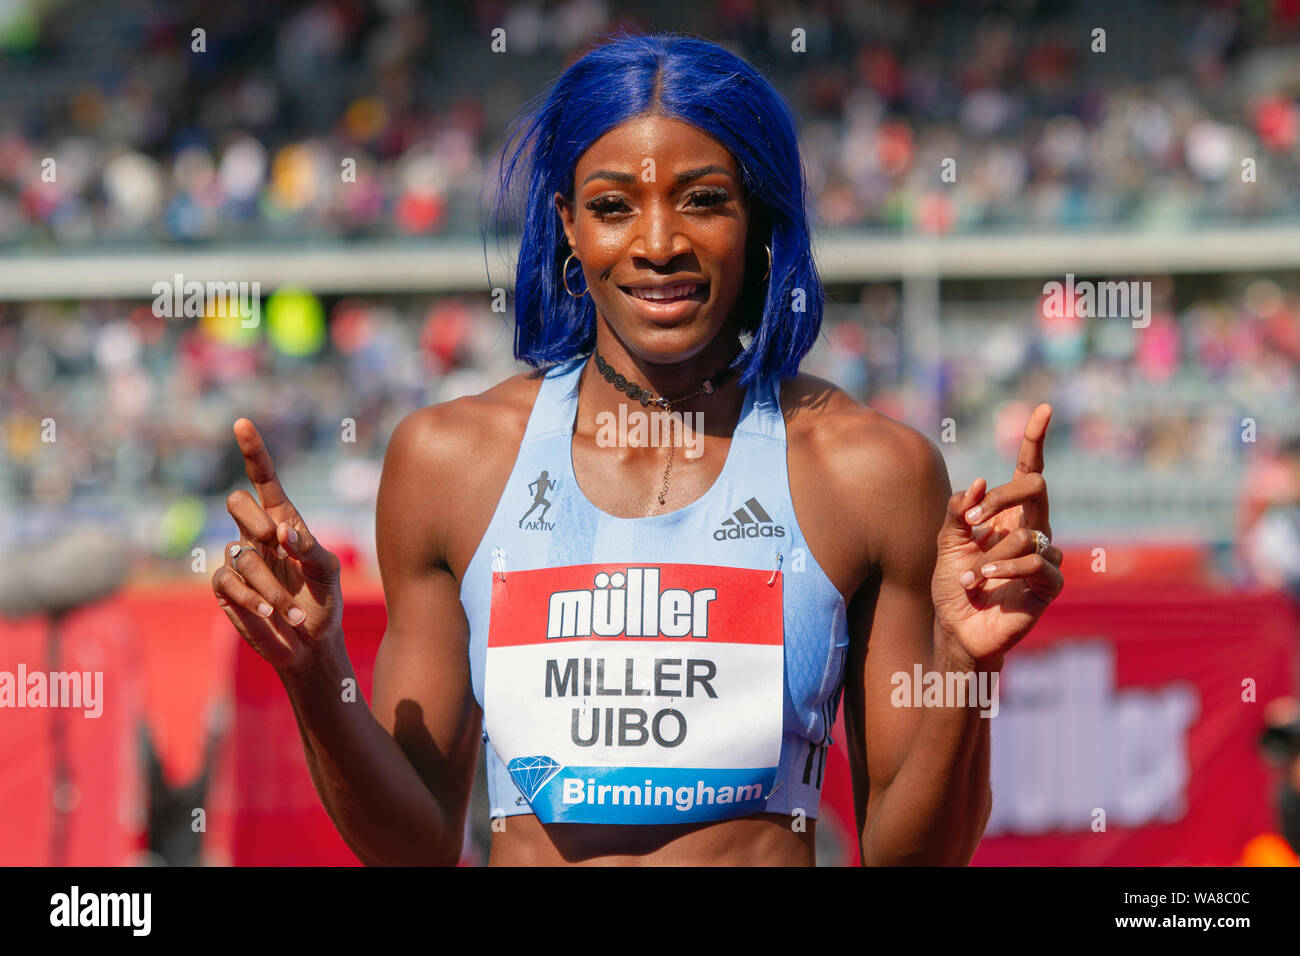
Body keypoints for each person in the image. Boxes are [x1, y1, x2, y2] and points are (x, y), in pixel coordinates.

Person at [211, 31, 1064, 866]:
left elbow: (911, 856)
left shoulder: (871, 472)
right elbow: (418, 844)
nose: (658, 244)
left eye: (702, 199)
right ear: (569, 229)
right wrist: (314, 670)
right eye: (614, 206)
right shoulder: (449, 462)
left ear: (760, 220)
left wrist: (965, 667)